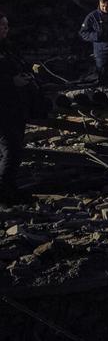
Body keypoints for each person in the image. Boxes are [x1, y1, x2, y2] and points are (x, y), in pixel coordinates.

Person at [0, 12, 36, 204]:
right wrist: (11, 81)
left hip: (15, 105)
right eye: (1, 26)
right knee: (10, 149)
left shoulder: (8, 47)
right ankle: (4, 194)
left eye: (6, 26)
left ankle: (10, 188)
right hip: (2, 108)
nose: (5, 29)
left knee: (15, 149)